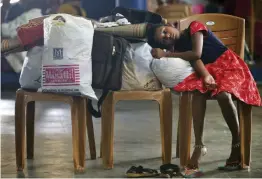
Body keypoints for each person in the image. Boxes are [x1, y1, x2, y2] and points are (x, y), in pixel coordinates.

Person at [146, 21, 261, 177]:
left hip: (229, 66)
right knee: (197, 92)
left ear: (170, 25)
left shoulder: (195, 26)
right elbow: (195, 60)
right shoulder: (179, 48)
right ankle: (199, 145)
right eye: (164, 39)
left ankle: (236, 143)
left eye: (165, 31)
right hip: (210, 70)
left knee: (222, 94)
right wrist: (206, 75)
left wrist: (166, 54)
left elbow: (196, 53)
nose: (167, 35)